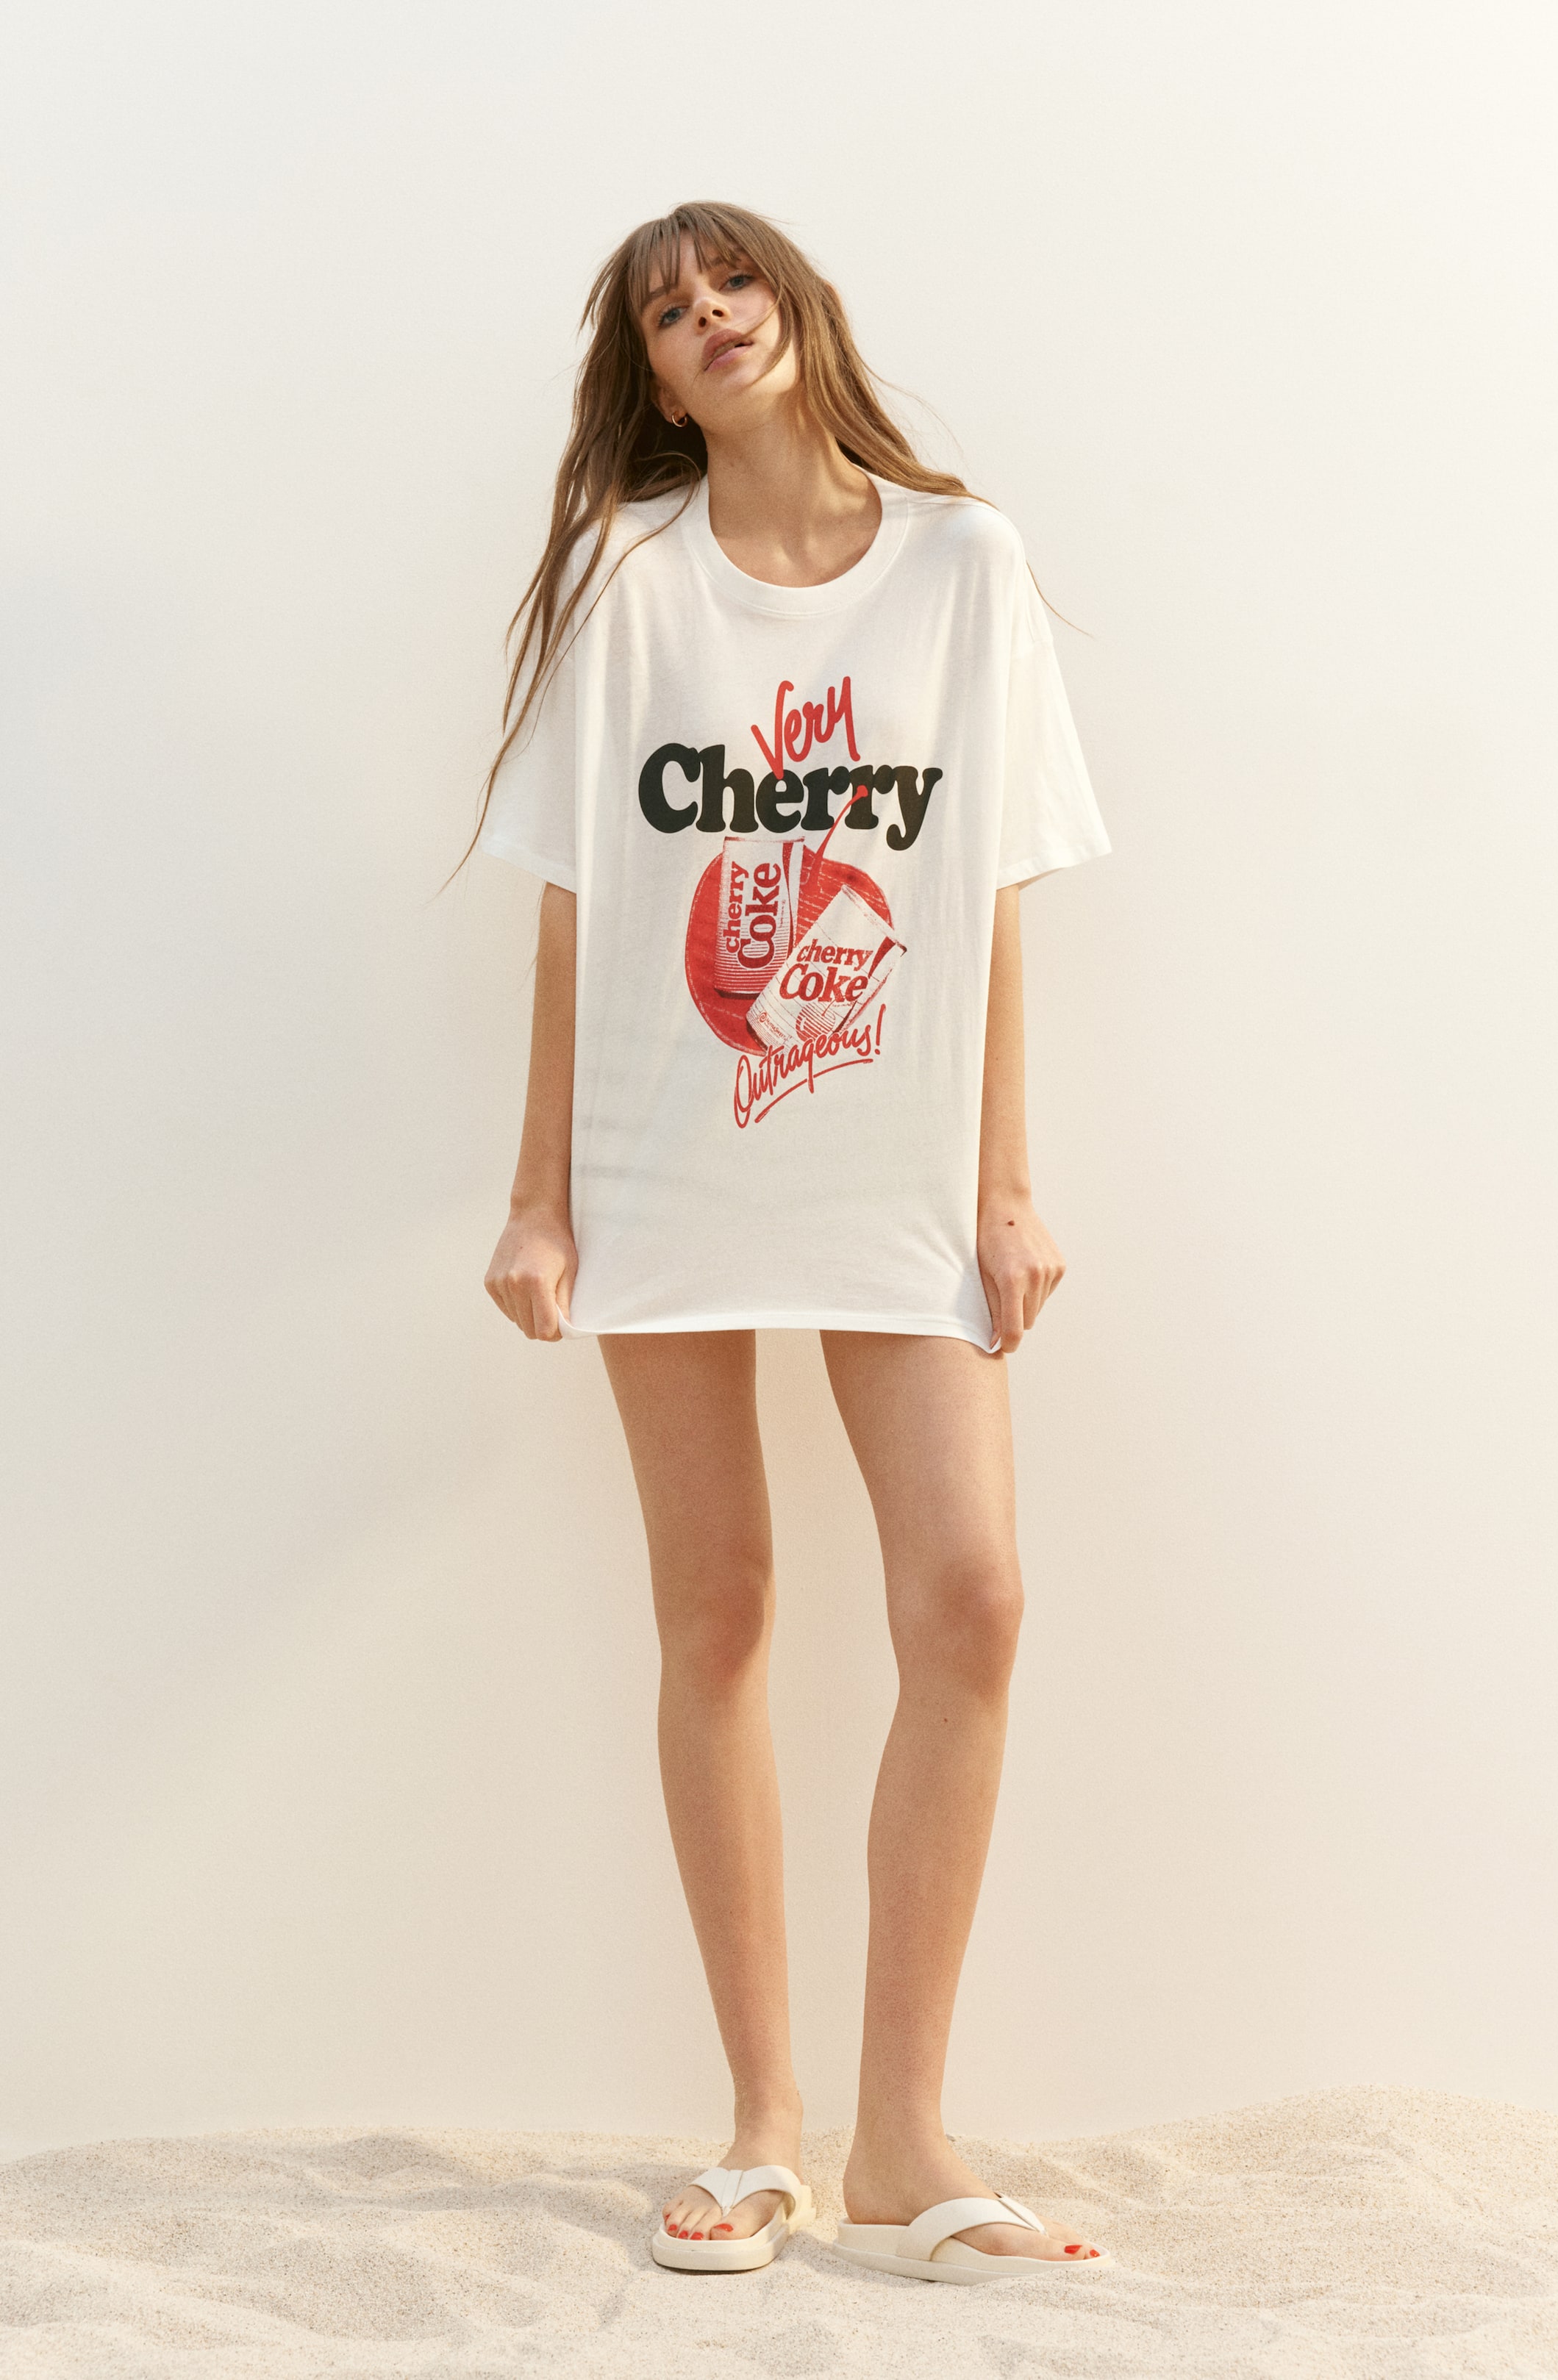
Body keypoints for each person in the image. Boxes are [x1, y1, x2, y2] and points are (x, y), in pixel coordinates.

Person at [476, 203, 1113, 2284]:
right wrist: (539, 1192)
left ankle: (905, 2135)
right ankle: (766, 2125)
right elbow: (576, 899)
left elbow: (989, 885)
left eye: (730, 282)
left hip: (893, 1161)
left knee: (973, 1599)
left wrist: (1005, 1182)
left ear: (797, 307)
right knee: (722, 1610)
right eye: (668, 312)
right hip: (666, 1159)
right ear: (653, 383)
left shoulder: (965, 566)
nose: (708, 317)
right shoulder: (631, 583)